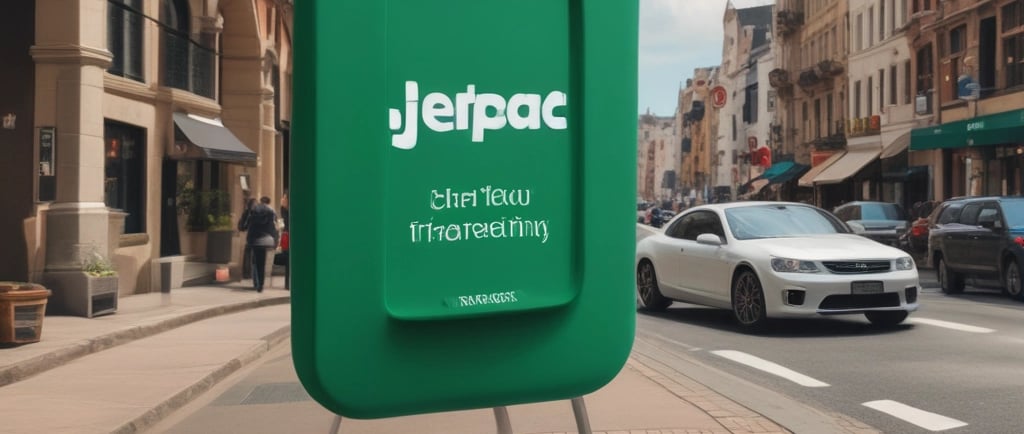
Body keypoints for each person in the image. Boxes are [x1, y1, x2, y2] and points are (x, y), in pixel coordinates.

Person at [242, 196, 279, 292]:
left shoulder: (253, 211)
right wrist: (275, 240)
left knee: (256, 261)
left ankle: (258, 283)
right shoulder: (271, 212)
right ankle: (260, 283)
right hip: (268, 240)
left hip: (255, 240)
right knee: (262, 262)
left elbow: (245, 225)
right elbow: (275, 227)